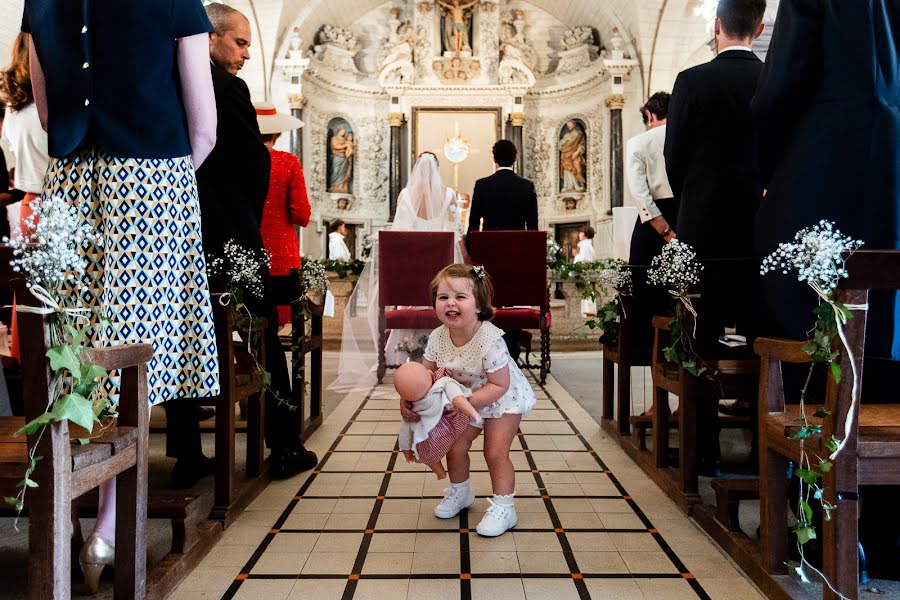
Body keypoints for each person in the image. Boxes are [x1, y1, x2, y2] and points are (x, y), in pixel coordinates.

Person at [22, 0, 220, 590]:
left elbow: (48, 109)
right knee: (133, 349)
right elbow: (204, 125)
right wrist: (169, 184)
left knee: (74, 346)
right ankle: (106, 521)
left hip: (71, 180)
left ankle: (80, 510)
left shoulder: (43, 4)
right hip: (153, 179)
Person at [752, 0, 900, 577]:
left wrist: (767, 174)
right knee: (886, 334)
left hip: (825, 165)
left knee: (818, 333)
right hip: (891, 162)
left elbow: (781, 84)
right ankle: (888, 539)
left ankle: (822, 529)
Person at [186, 2, 316, 483]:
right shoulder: (224, 86)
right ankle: (282, 444)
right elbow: (251, 164)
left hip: (178, 238)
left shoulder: (167, 81)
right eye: (240, 42)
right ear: (212, 37)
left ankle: (186, 451)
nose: (245, 53)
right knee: (262, 335)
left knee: (182, 336)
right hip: (230, 240)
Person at [662, 0, 766, 471]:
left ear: (717, 26)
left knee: (700, 329)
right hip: (761, 227)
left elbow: (675, 154)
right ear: (760, 27)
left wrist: (694, 198)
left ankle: (701, 448)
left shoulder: (692, 81)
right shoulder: (774, 79)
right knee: (759, 326)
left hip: (702, 224)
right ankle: (762, 437)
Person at [401, 263, 535, 537]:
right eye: (443, 297)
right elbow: (425, 372)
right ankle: (461, 492)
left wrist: (468, 402)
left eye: (460, 297)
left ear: (479, 305)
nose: (451, 303)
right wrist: (409, 398)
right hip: (463, 397)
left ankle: (504, 506)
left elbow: (500, 384)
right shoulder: (438, 336)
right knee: (455, 445)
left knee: (495, 453)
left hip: (501, 398)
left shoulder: (490, 339)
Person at [330, 152, 464, 392]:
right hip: (441, 271)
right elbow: (454, 233)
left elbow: (400, 234)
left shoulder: (406, 195)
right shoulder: (450, 195)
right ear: (438, 170)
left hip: (412, 273)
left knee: (394, 298)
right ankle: (445, 360)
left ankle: (405, 356)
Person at [0, 31, 50, 362]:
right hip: (55, 202)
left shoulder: (15, 110)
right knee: (56, 294)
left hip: (30, 204)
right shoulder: (50, 107)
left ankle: (30, 365)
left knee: (32, 292)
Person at [466, 139, 538, 361]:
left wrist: (471, 252)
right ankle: (512, 350)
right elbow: (533, 228)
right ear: (515, 159)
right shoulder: (526, 186)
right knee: (513, 299)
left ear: (494, 159)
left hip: (487, 257)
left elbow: (472, 225)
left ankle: (489, 350)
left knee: (489, 298)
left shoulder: (482, 185)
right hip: (516, 257)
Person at [625, 92, 676, 352]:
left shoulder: (639, 142)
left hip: (653, 224)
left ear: (649, 115)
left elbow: (640, 194)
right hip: (684, 214)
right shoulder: (686, 137)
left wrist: (665, 232)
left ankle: (648, 347)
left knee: (646, 284)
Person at [255, 102, 310, 326]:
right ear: (277, 133)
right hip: (280, 253)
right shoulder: (288, 162)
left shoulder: (236, 160)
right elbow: (302, 215)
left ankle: (250, 358)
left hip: (247, 247)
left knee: (248, 311)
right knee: (278, 315)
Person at [395, 361, 480, 479]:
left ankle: (439, 471)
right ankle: (441, 471)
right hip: (448, 427)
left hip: (429, 439)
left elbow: (404, 434)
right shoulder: (441, 382)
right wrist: (473, 413)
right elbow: (458, 399)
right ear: (430, 373)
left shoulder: (412, 410)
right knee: (456, 450)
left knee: (428, 457)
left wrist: (406, 451)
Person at [573, 226, 597, 317]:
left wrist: (576, 256)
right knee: (588, 292)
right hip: (588, 271)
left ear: (585, 234)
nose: (579, 234)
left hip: (584, 271)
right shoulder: (588, 245)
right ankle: (589, 311)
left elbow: (584, 258)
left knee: (586, 292)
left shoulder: (584, 244)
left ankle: (587, 312)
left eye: (581, 232)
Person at [559, 120, 586, 192]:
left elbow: (582, 145)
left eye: (570, 125)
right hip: (566, 155)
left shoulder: (579, 134)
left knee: (577, 168)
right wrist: (561, 146)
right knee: (567, 170)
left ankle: (579, 185)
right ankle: (568, 185)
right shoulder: (567, 135)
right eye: (568, 126)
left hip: (575, 155)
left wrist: (577, 152)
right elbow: (560, 143)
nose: (569, 127)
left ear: (574, 125)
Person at [328, 127, 353, 194]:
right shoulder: (334, 138)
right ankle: (334, 187)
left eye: (344, 132)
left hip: (344, 158)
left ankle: (342, 187)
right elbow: (335, 146)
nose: (343, 133)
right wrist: (345, 145)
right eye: (342, 131)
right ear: (338, 131)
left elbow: (349, 147)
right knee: (336, 171)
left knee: (343, 173)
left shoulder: (344, 139)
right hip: (337, 157)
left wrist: (347, 145)